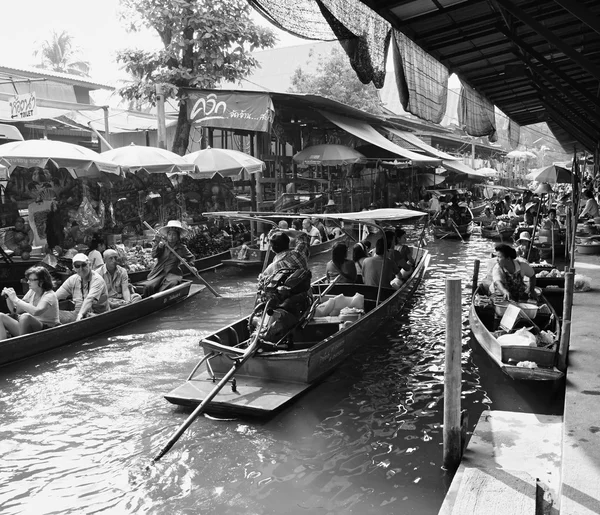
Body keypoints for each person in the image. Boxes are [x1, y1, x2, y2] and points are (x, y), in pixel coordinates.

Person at [256, 229, 312, 344]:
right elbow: (303, 236)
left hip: (285, 305)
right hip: (306, 300)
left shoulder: (270, 269)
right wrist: (284, 231)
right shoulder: (299, 254)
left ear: (272, 248)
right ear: (288, 243)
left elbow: (261, 289)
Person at [0, 266, 60, 340]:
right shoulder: (32, 292)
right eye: (28, 279)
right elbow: (15, 311)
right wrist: (8, 297)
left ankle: (20, 345)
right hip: (30, 327)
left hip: (47, 329)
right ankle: (2, 345)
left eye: (31, 280)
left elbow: (36, 312)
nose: (28, 282)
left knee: (25, 317)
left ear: (41, 281)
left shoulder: (50, 295)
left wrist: (16, 299)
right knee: (0, 316)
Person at [142, 220, 197, 295]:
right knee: (148, 287)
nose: (171, 237)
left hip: (173, 274)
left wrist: (192, 266)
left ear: (178, 237)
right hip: (158, 272)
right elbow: (154, 255)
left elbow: (191, 258)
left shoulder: (182, 248)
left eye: (174, 235)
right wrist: (156, 243)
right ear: (167, 236)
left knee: (169, 285)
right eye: (169, 234)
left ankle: (159, 298)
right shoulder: (162, 245)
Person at [56, 253, 110, 323]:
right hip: (78, 315)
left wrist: (80, 315)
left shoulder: (97, 279)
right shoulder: (72, 279)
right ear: (74, 268)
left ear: (89, 265)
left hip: (97, 316)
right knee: (49, 315)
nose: (81, 269)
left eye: (84, 265)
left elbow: (89, 299)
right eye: (77, 266)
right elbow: (55, 297)